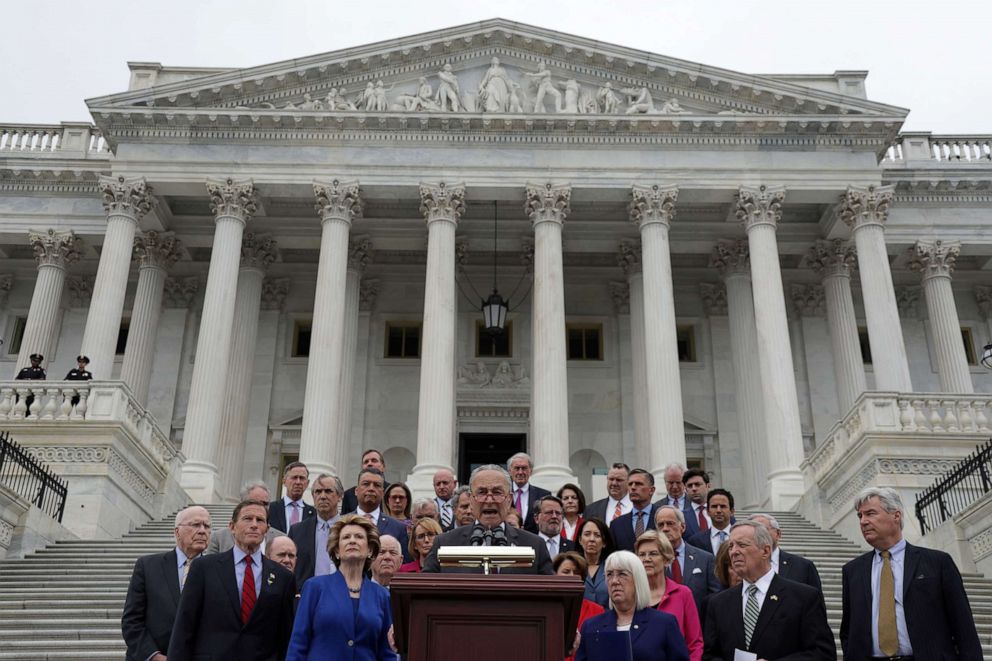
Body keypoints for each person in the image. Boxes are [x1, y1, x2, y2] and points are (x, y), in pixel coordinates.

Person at [840, 486, 982, 660]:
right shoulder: (852, 571)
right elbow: (847, 630)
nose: (863, 521)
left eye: (870, 513)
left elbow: (964, 628)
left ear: (896, 515)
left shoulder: (937, 563)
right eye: (860, 516)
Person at [167, 499, 295, 661]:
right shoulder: (204, 568)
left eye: (260, 520)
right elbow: (184, 627)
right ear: (232, 527)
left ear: (267, 529)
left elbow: (285, 636)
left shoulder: (283, 578)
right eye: (247, 519)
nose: (254, 525)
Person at [702, 521, 835, 661]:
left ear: (765, 551)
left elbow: (823, 653)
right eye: (731, 546)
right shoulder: (718, 603)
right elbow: (710, 655)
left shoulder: (804, 597)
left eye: (742, 545)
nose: (734, 552)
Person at [286, 514, 393, 660]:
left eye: (359, 537)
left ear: (369, 550)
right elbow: (298, 645)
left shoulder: (382, 595)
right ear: (336, 551)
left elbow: (386, 652)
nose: (352, 541)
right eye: (346, 537)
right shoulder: (315, 587)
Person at [422, 464, 554, 574]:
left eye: (497, 492)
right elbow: (424, 591)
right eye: (482, 492)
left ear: (509, 499)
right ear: (471, 500)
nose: (489, 500)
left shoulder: (535, 545)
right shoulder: (444, 543)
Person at [122, 505, 211, 661]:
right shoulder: (148, 566)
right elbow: (132, 621)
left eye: (207, 526)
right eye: (196, 525)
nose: (203, 530)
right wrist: (154, 656)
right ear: (177, 532)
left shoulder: (217, 570)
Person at [574, 550, 690, 661]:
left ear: (637, 580)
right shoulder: (591, 627)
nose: (614, 581)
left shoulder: (664, 624)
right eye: (609, 574)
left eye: (622, 574)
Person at [635, 531, 702, 661]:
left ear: (666, 560)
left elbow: (695, 643)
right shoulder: (632, 596)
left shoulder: (683, 594)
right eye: (642, 554)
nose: (646, 559)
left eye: (653, 554)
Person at [654, 505, 719, 617]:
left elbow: (715, 598)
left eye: (670, 523)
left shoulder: (705, 559)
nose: (665, 528)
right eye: (660, 525)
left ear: (682, 527)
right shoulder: (651, 561)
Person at [289, 473, 342, 587]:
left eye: (328, 491)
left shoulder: (349, 528)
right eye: (318, 492)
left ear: (340, 496)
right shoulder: (297, 531)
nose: (322, 496)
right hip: (306, 596)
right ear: (313, 497)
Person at [749, 513, 822, 592]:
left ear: (778, 534)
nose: (759, 535)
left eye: (763, 530)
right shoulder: (739, 566)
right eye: (753, 532)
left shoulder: (803, 566)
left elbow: (816, 602)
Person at [352, 466, 411, 562]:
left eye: (377, 485)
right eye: (366, 484)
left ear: (383, 493)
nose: (371, 488)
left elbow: (404, 565)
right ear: (356, 490)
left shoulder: (398, 527)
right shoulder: (342, 523)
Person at [555, 551, 605, 661]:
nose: (571, 576)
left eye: (576, 572)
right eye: (566, 572)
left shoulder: (597, 610)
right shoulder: (547, 609)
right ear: (555, 575)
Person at [208, 481, 284, 554]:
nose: (260, 507)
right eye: (253, 502)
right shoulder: (219, 538)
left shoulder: (281, 538)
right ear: (241, 504)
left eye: (265, 504)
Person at [610, 468, 659, 551]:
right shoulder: (616, 525)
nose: (633, 487)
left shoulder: (662, 518)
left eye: (638, 484)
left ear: (651, 490)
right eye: (630, 484)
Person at [507, 452, 550, 533]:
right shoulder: (503, 493)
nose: (520, 472)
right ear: (509, 471)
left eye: (524, 468)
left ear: (530, 471)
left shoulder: (543, 495)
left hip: (533, 540)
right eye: (517, 468)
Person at [268, 461, 315, 533]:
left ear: (307, 483)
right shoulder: (270, 509)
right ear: (284, 481)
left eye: (302, 478)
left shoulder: (314, 514)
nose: (298, 482)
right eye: (294, 477)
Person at [578, 517, 614, 607]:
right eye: (587, 534)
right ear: (580, 540)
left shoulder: (612, 567)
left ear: (604, 542)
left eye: (597, 535)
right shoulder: (574, 567)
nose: (592, 539)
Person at [686, 488, 734, 556]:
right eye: (714, 506)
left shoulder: (742, 537)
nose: (718, 510)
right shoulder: (695, 541)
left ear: (732, 511)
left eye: (723, 506)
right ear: (708, 511)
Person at [681, 469, 710, 540]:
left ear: (707, 486)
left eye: (697, 484)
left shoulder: (722, 511)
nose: (694, 489)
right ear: (686, 489)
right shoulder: (681, 517)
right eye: (690, 486)